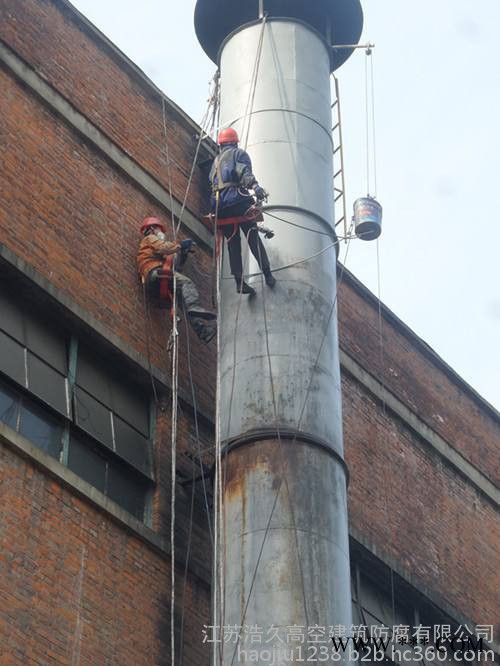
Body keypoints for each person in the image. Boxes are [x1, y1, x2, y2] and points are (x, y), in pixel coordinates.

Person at [209, 127, 275, 296]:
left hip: (218, 206)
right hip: (237, 200)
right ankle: (267, 274)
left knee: (232, 241)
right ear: (235, 142)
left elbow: (212, 181)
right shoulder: (238, 154)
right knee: (251, 234)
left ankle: (239, 281)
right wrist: (255, 186)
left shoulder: (215, 161)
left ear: (221, 144)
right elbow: (243, 172)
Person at [137, 217, 216, 343]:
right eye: (158, 229)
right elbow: (163, 248)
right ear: (152, 229)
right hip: (154, 273)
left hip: (156, 278)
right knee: (186, 282)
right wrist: (179, 246)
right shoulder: (150, 239)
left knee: (184, 300)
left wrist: (183, 253)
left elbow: (175, 266)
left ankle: (203, 331)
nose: (161, 232)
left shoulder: (154, 250)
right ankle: (195, 307)